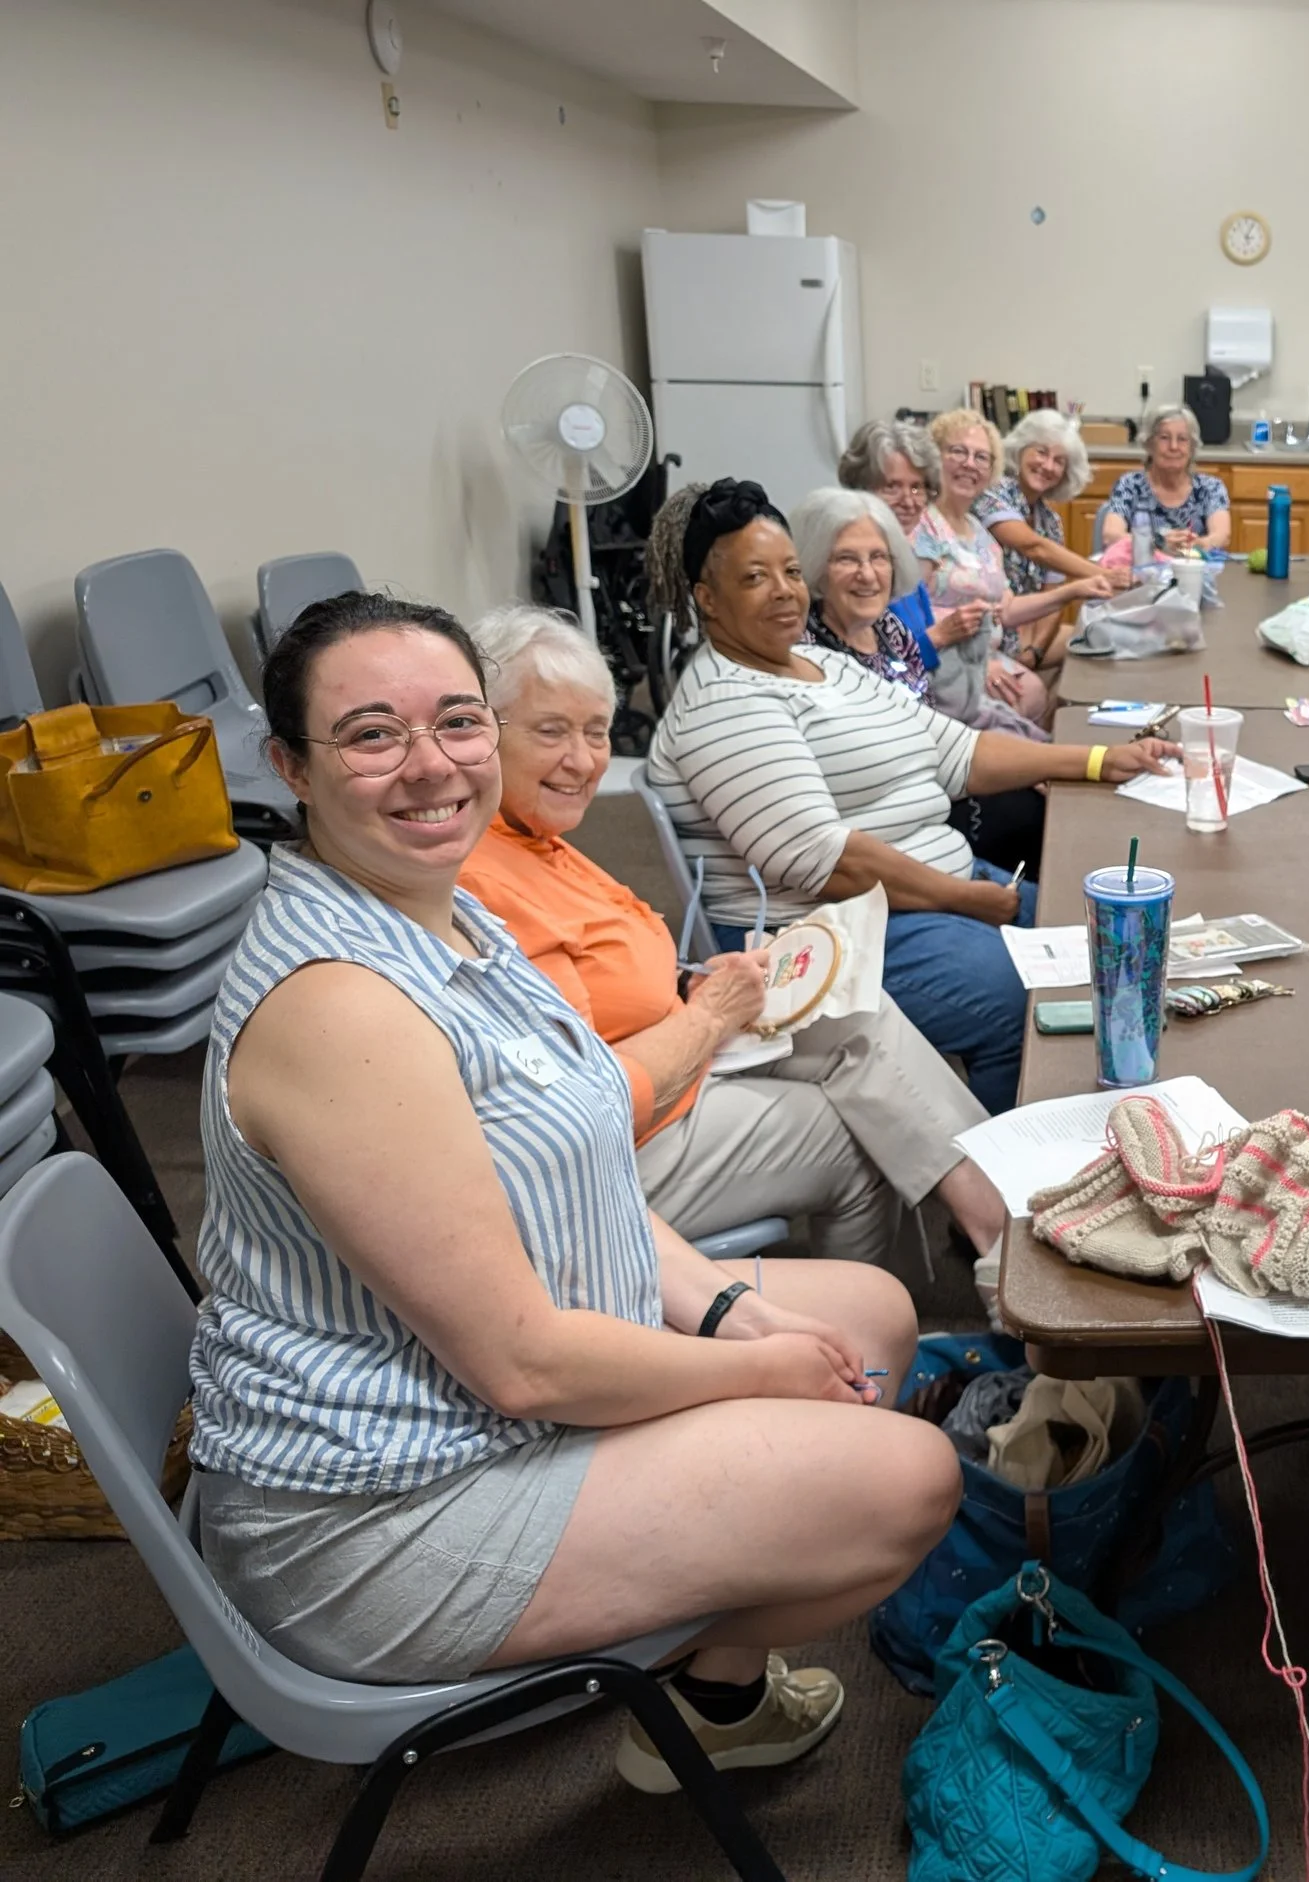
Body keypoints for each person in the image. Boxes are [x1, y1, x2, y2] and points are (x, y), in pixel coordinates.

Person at [188, 591, 958, 1794]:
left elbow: (586, 1164)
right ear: (291, 765)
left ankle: (710, 1693)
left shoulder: (456, 920)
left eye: (456, 721)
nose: (432, 765)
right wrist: (755, 1368)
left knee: (872, 1313)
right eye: (373, 734)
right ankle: (686, 1668)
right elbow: (523, 1365)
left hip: (486, 1383)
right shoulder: (340, 1006)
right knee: (905, 1475)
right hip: (385, 1505)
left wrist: (719, 1310)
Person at [457, 602, 1008, 1276]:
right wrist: (710, 1012)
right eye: (551, 732)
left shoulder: (535, 836)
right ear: (480, 732)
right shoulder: (480, 879)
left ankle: (1000, 1232)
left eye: (597, 732)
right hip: (618, 1143)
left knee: (855, 1012)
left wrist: (687, 982)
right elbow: (584, 1097)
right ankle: (889, 1338)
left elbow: (604, 974)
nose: (582, 759)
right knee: (858, 1132)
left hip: (669, 1050)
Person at [644, 479, 1177, 1114]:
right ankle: (1005, 1192)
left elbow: (960, 751)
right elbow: (826, 860)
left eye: (790, 571)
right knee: (1024, 997)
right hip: (832, 934)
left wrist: (1096, 759)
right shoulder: (723, 704)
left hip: (925, 899)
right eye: (755, 578)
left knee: (1103, 933)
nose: (785, 591)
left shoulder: (824, 664)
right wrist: (969, 899)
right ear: (707, 599)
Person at [787, 484, 1048, 875]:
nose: (867, 574)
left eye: (878, 557)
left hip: (929, 785)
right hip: (882, 820)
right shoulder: (805, 648)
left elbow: (931, 726)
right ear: (815, 566)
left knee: (1038, 801)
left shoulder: (889, 629)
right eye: (846, 559)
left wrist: (1030, 765)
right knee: (1028, 818)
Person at [821, 427, 1045, 744]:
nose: (909, 501)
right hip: (893, 733)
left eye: (917, 488)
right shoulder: (855, 571)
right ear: (862, 488)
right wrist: (940, 637)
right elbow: (873, 676)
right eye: (892, 487)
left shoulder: (905, 563)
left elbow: (925, 674)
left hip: (931, 716)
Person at [917, 409, 1111, 726]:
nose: (969, 464)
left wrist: (1074, 591)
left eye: (981, 457)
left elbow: (1006, 607)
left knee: (1093, 647)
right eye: (958, 452)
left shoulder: (981, 532)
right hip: (951, 656)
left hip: (1000, 641)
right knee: (1040, 695)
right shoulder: (938, 520)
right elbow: (1033, 547)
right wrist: (1098, 574)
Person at [980, 408, 1108, 609]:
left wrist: (1037, 642)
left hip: (1025, 628)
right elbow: (1034, 547)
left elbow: (1054, 597)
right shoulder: (991, 492)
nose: (1048, 466)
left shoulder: (1051, 522)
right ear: (1020, 450)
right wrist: (1105, 574)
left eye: (1059, 461)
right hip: (985, 621)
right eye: (1041, 452)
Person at [1102, 405, 1231, 556]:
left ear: (1192, 447)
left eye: (1182, 439)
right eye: (1164, 438)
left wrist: (1201, 544)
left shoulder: (1210, 487)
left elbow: (1223, 536)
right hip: (1142, 574)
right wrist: (1158, 543)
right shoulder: (1130, 485)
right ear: (1149, 443)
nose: (1174, 447)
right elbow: (1110, 535)